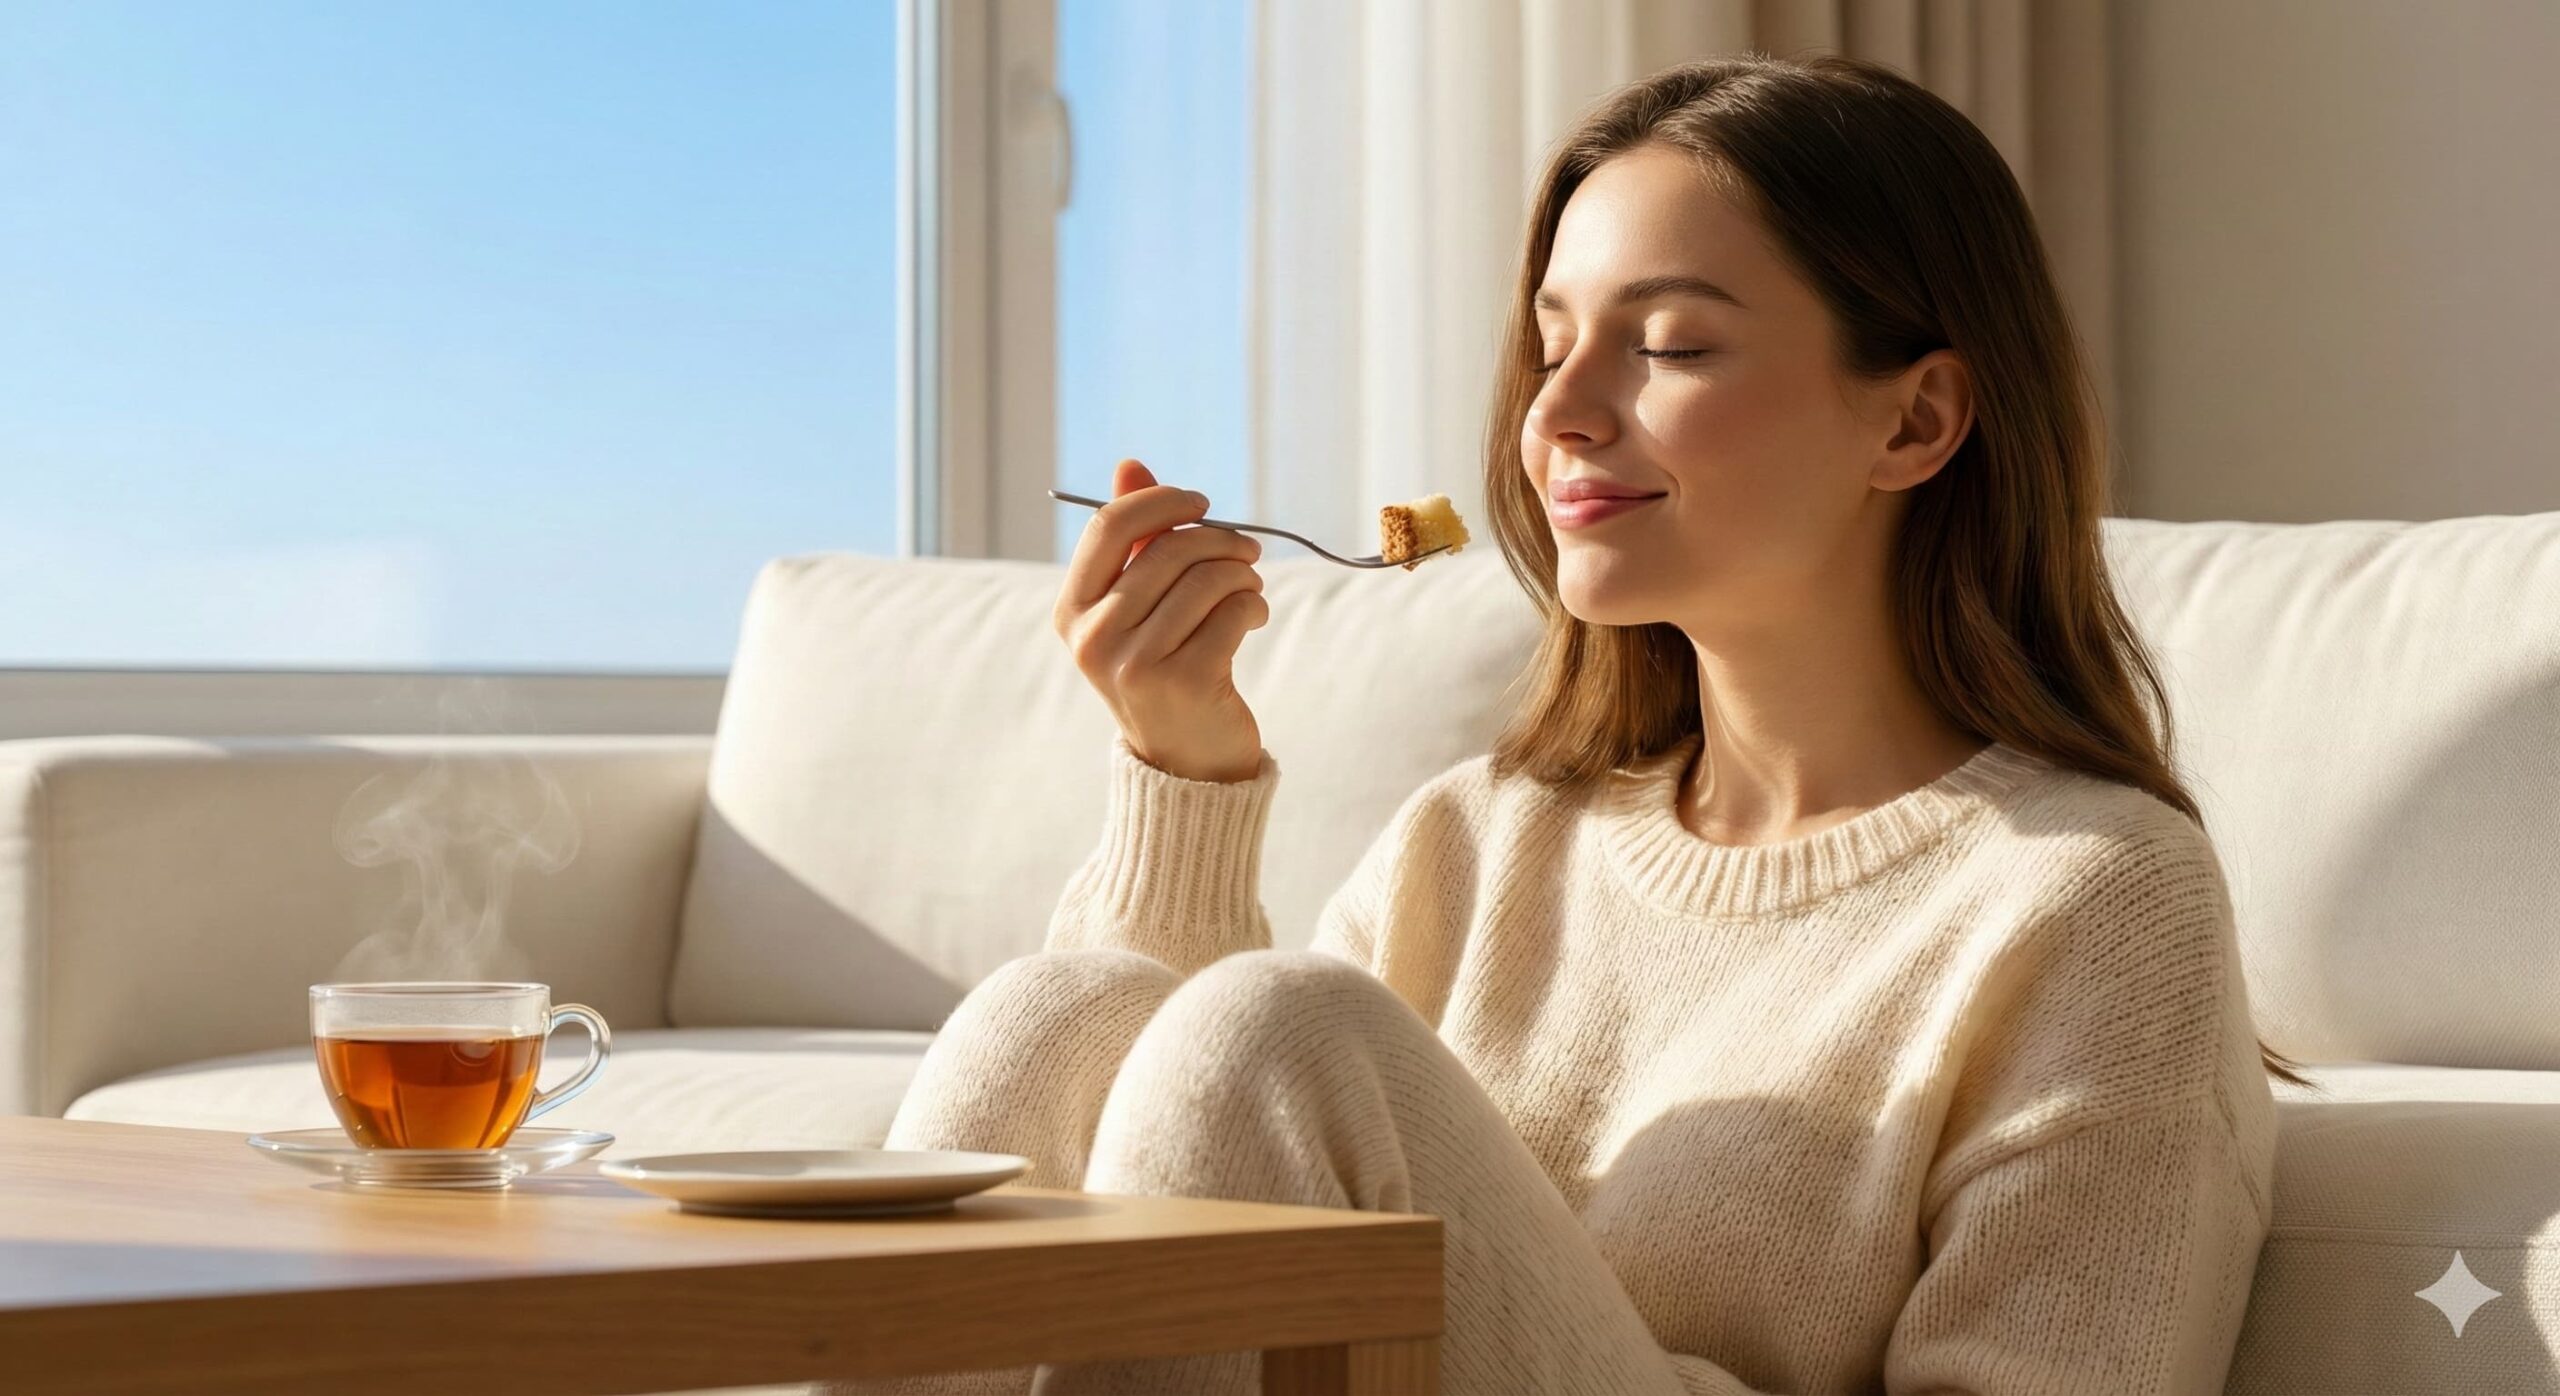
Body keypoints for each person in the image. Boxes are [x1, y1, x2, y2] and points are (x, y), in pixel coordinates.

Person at [833, 51, 2310, 1396]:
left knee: (1280, 1022)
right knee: (1067, 1007)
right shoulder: (1481, 841)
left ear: (1915, 422)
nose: (1559, 415)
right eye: (1553, 344)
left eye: (1667, 345)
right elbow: (1178, 1146)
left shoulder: (2095, 899)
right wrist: (1181, 762)